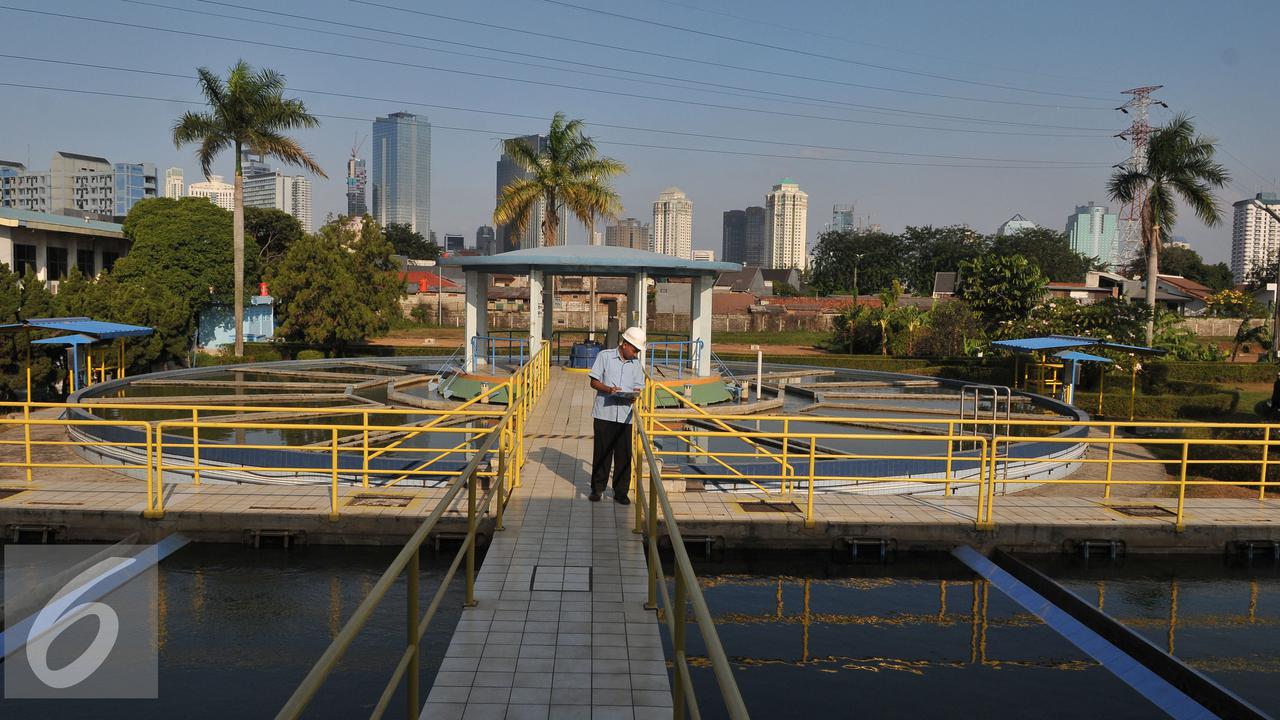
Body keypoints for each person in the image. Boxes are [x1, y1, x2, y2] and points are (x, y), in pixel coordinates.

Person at [586, 326, 646, 503]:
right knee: (602, 453)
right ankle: (597, 489)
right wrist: (608, 389)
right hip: (605, 413)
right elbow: (594, 382)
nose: (635, 354)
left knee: (624, 455)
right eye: (634, 350)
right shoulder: (605, 357)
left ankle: (621, 492)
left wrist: (634, 395)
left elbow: (638, 387)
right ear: (625, 344)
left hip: (625, 416)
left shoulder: (636, 365)